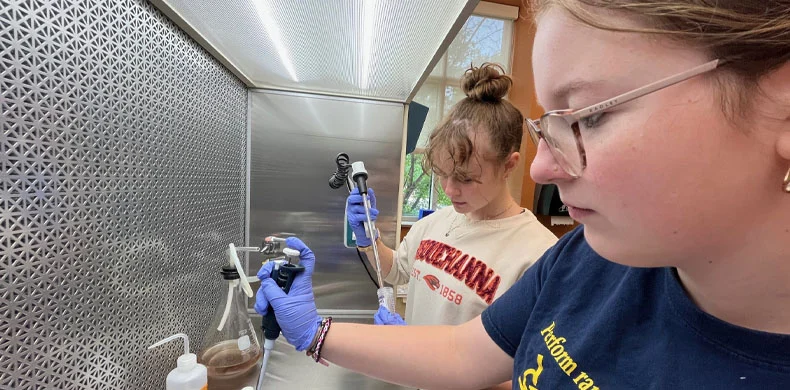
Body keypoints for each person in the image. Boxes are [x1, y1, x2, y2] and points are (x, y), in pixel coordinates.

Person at [255, 1, 790, 388]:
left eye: (590, 115)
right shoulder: (585, 260)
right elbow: (467, 353)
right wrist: (316, 327)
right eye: (549, 126)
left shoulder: (543, 247)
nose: (542, 166)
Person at [346, 62, 557, 327]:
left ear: (509, 165)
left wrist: (417, 347)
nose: (449, 189)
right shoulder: (435, 223)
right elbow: (398, 270)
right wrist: (369, 238)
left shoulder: (537, 255)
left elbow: (517, 357)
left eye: (466, 178)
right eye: (443, 173)